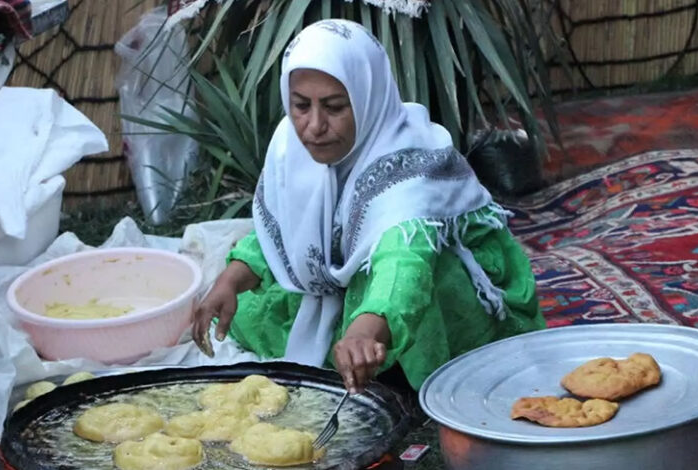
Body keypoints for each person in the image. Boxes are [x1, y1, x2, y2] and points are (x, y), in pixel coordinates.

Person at [192, 19, 545, 394]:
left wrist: (364, 329)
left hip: (421, 287)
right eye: (300, 105)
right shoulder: (291, 147)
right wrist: (230, 280)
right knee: (247, 306)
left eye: (334, 107)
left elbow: (403, 266)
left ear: (367, 97)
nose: (314, 126)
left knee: (427, 289)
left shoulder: (408, 163)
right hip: (339, 281)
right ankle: (355, 342)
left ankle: (400, 366)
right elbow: (284, 230)